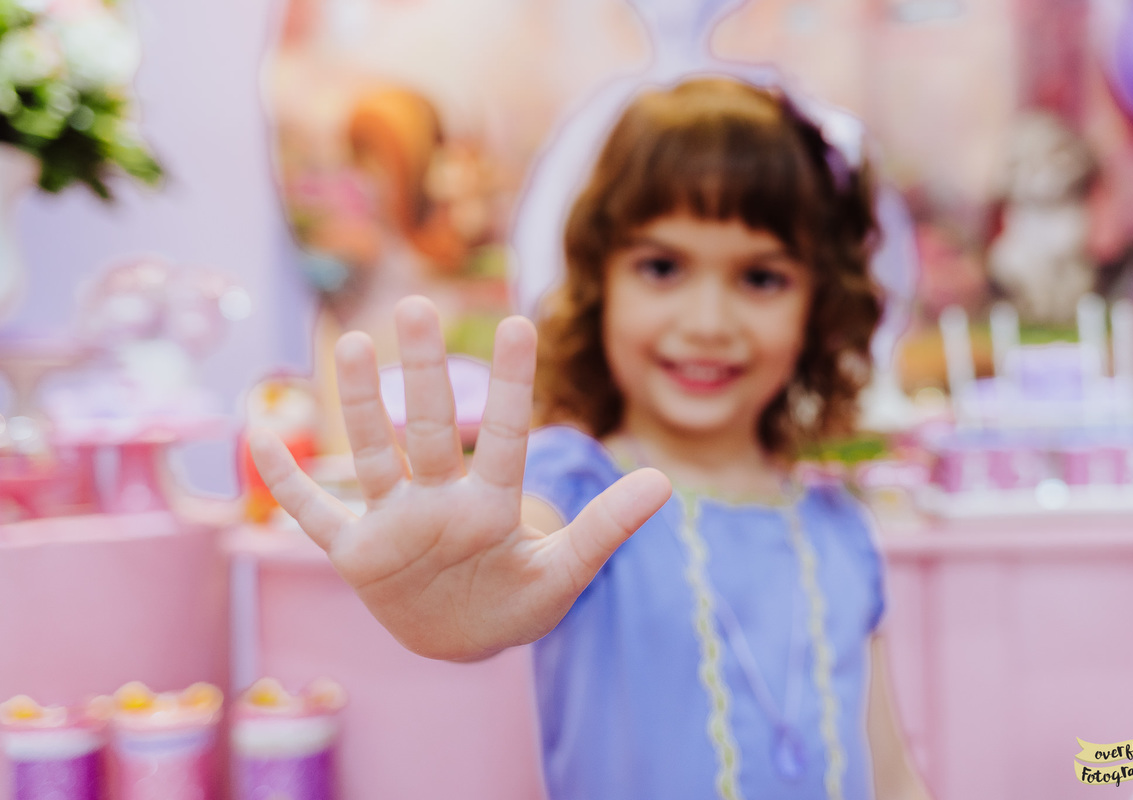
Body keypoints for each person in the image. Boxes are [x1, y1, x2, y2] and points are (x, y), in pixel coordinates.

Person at [251, 77, 931, 800]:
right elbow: (516, 543)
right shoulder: (573, 480)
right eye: (662, 268)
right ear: (600, 279)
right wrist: (457, 600)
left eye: (760, 278)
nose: (707, 320)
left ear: (818, 302)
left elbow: (889, 771)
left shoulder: (841, 530)